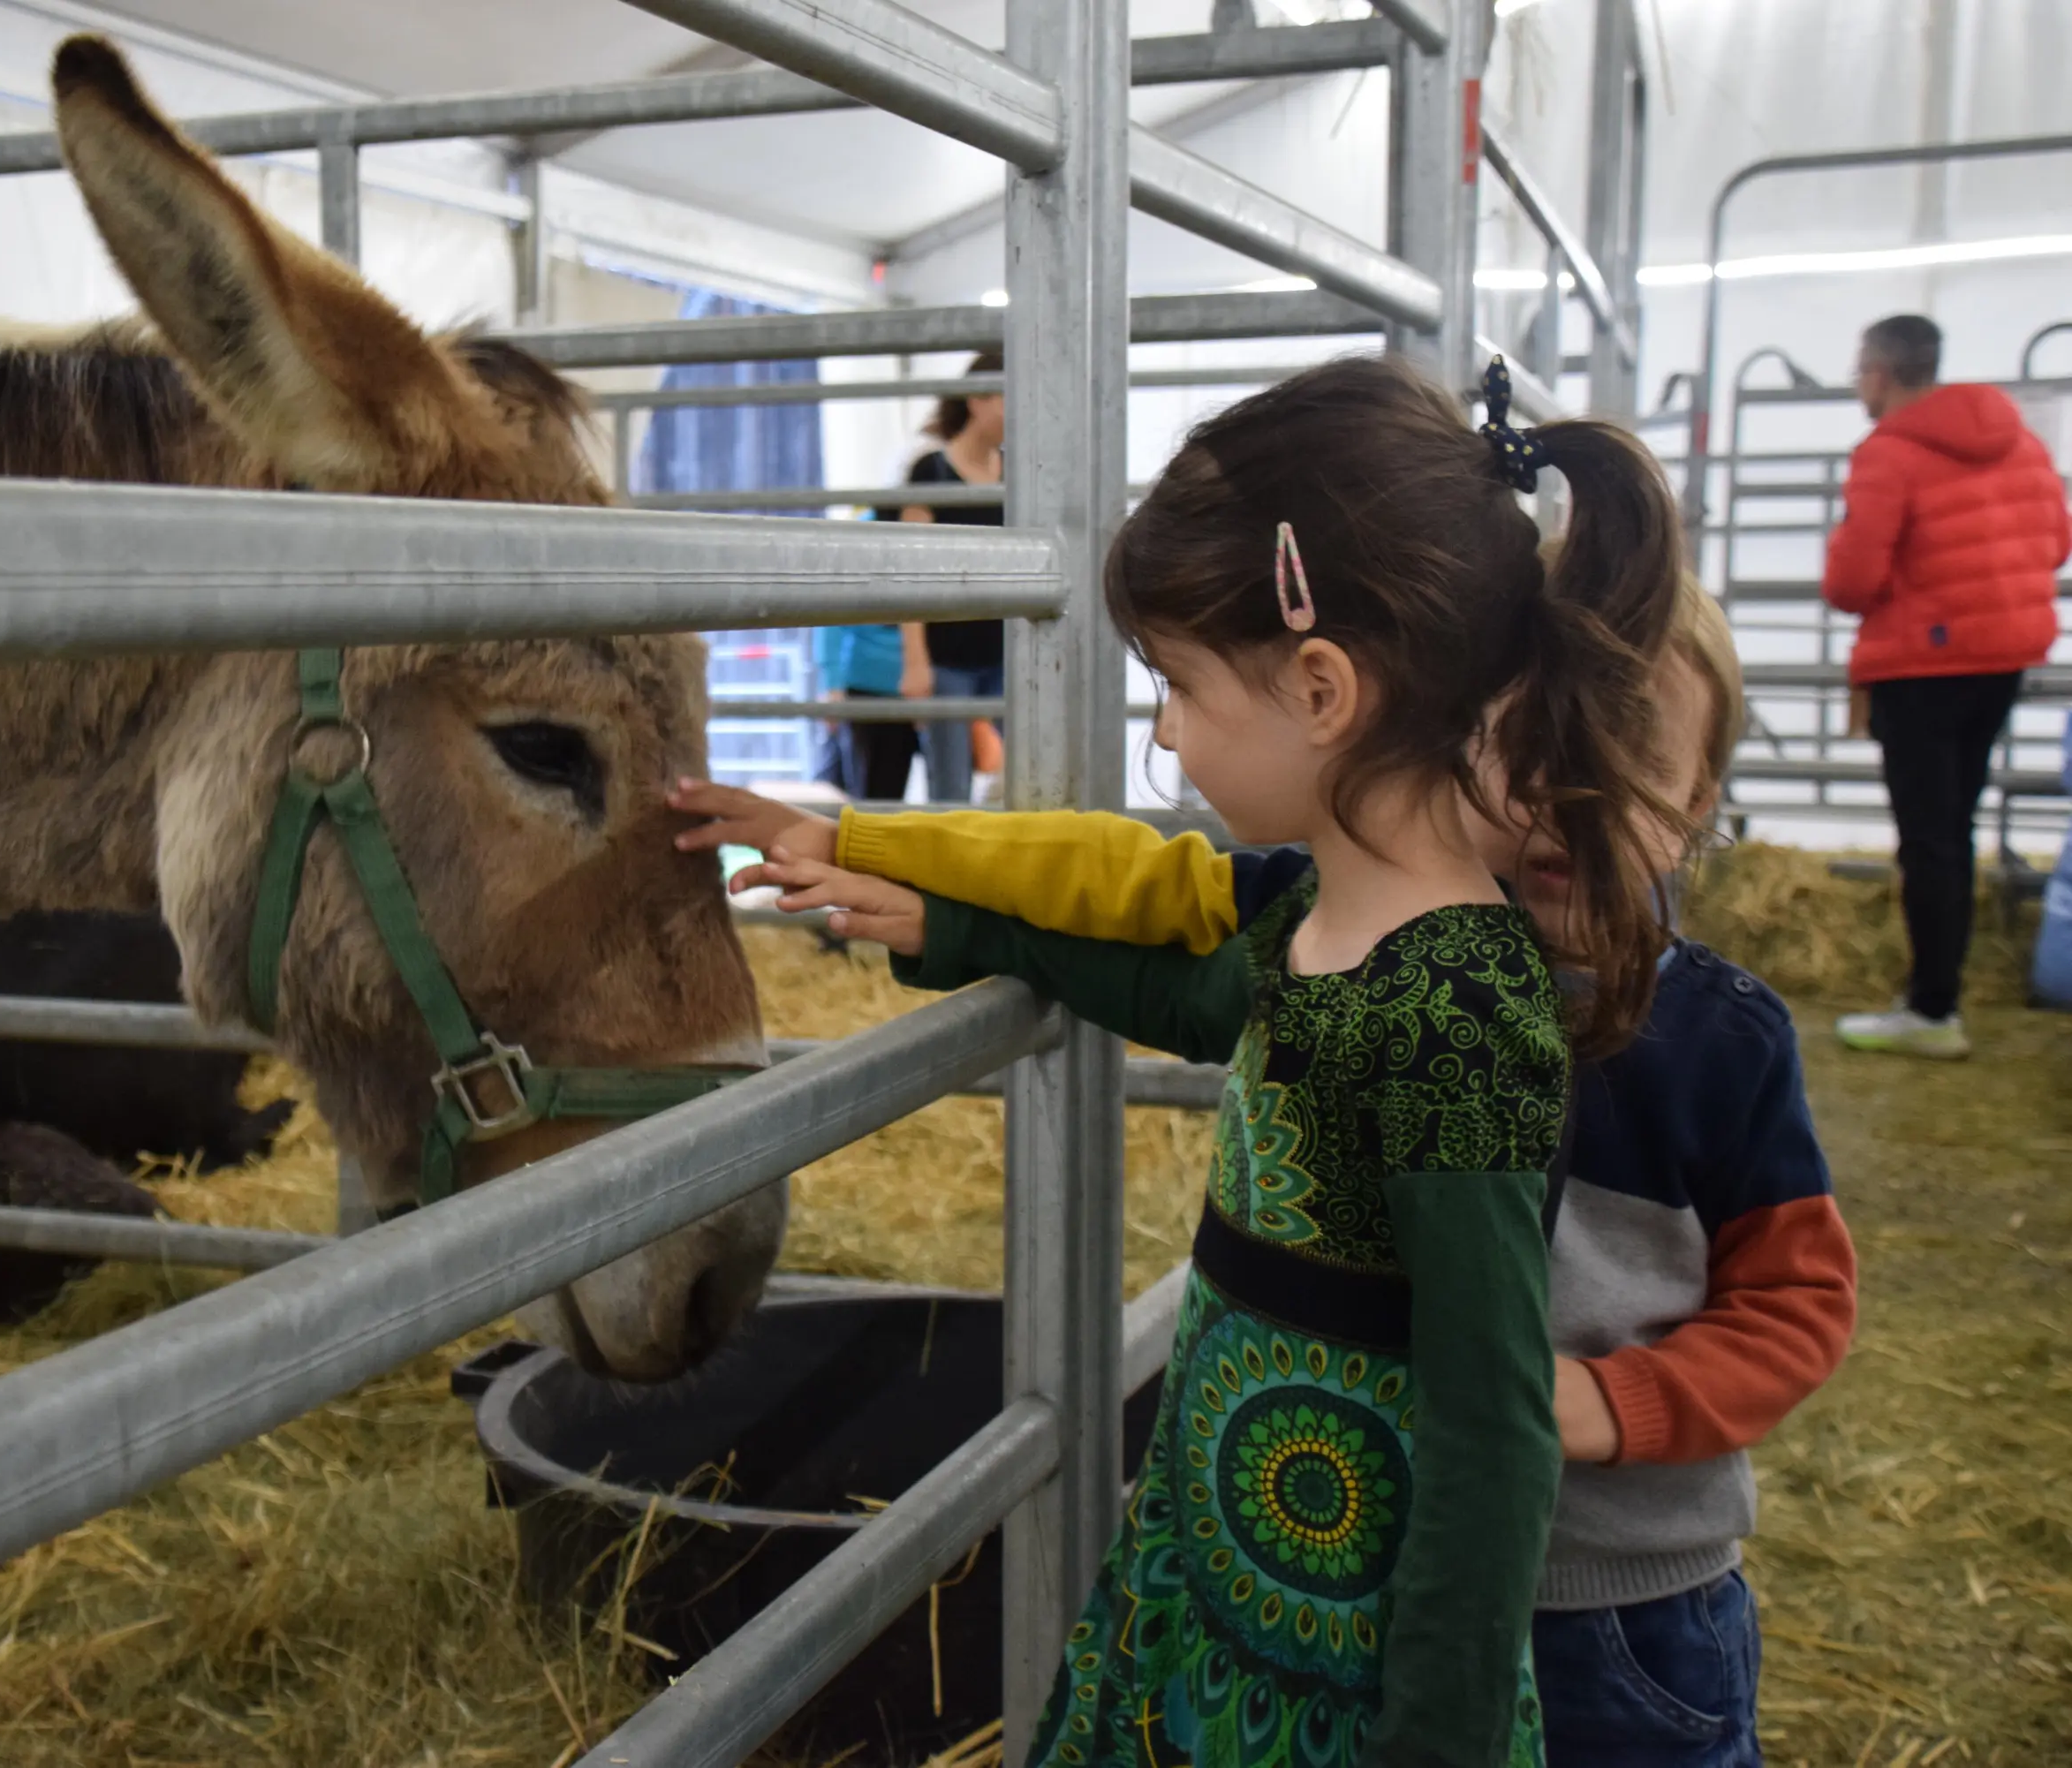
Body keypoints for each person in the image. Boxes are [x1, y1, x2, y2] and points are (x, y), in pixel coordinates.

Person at [679, 354, 1688, 1767]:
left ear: (1323, 687)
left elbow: (1494, 1425)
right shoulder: (1317, 922)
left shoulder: (1459, 1012)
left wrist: (1439, 1740)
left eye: (1181, 686)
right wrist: (952, 919)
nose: (1162, 731)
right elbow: (1194, 988)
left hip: (1340, 1649)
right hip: (1221, 1565)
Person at [1824, 314, 2070, 1060]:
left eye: (1860, 368)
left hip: (1921, 667)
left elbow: (1853, 580)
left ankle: (1932, 1009)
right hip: (2001, 660)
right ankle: (1937, 993)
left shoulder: (1889, 453)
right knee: (1952, 830)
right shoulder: (2018, 441)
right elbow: (2058, 537)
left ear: (1883, 372)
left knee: (1928, 837)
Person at [893, 350, 1006, 802]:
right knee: (951, 789)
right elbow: (909, 568)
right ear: (976, 401)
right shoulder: (931, 470)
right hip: (948, 659)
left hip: (1007, 652)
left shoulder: (1020, 469)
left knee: (1038, 772)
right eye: (1006, 397)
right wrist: (915, 661)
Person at [813, 619, 919, 800]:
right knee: (861, 785)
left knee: (891, 790)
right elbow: (831, 624)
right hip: (861, 689)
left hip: (907, 691)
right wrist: (833, 686)